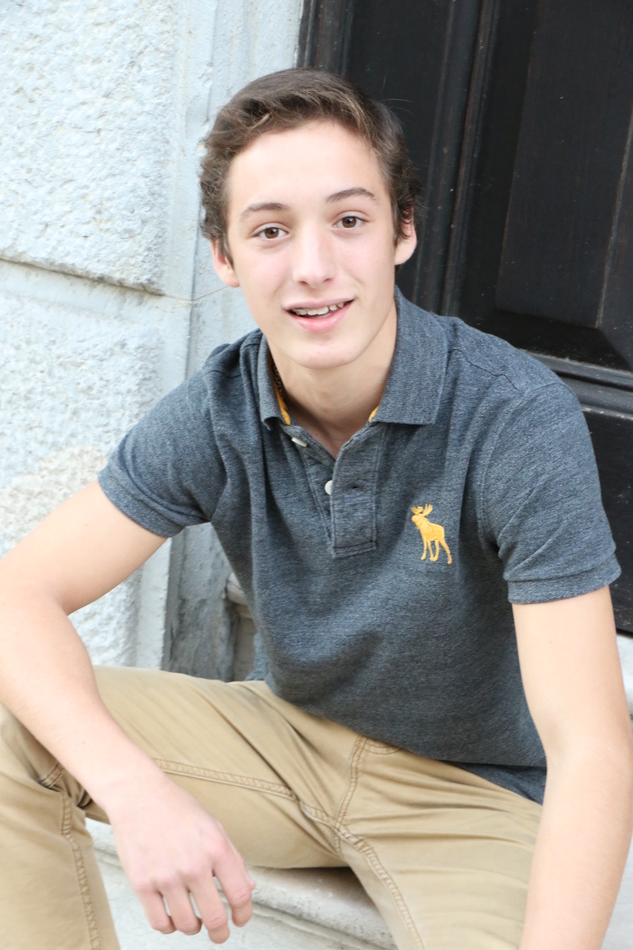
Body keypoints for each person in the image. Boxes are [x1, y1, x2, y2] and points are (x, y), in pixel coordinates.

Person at [0, 67, 632, 950]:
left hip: (474, 797)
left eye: (348, 221)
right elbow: (18, 595)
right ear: (224, 258)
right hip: (288, 744)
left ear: (402, 230)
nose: (312, 268)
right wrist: (137, 794)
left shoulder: (511, 415)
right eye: (270, 230)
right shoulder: (218, 410)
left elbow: (590, 741)